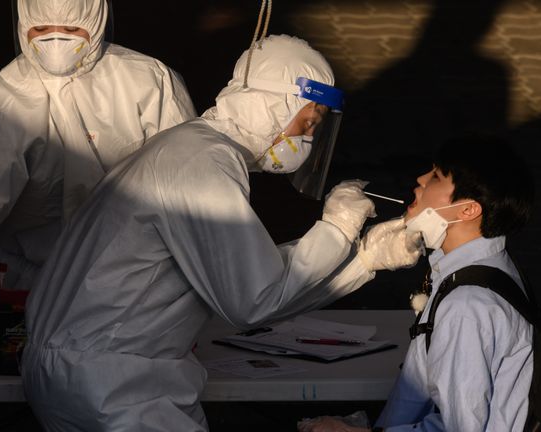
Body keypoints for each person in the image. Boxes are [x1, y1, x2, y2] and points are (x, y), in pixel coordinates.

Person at [21, 34, 422, 431]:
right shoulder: (203, 163)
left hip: (89, 372)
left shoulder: (188, 149)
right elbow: (254, 300)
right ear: (273, 103)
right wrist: (337, 229)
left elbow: (253, 280)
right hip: (113, 386)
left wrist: (363, 259)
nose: (309, 137)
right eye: (309, 119)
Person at [0, 0, 196, 292]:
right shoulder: (12, 91)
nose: (56, 40)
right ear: (24, 25)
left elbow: (184, 176)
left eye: (72, 28)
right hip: (34, 279)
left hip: (132, 279)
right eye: (41, 28)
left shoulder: (146, 80)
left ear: (95, 22)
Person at [298, 134, 535, 432]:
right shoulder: (485, 267)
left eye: (436, 176)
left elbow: (460, 428)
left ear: (468, 210)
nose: (421, 179)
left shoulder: (467, 305)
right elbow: (417, 388)